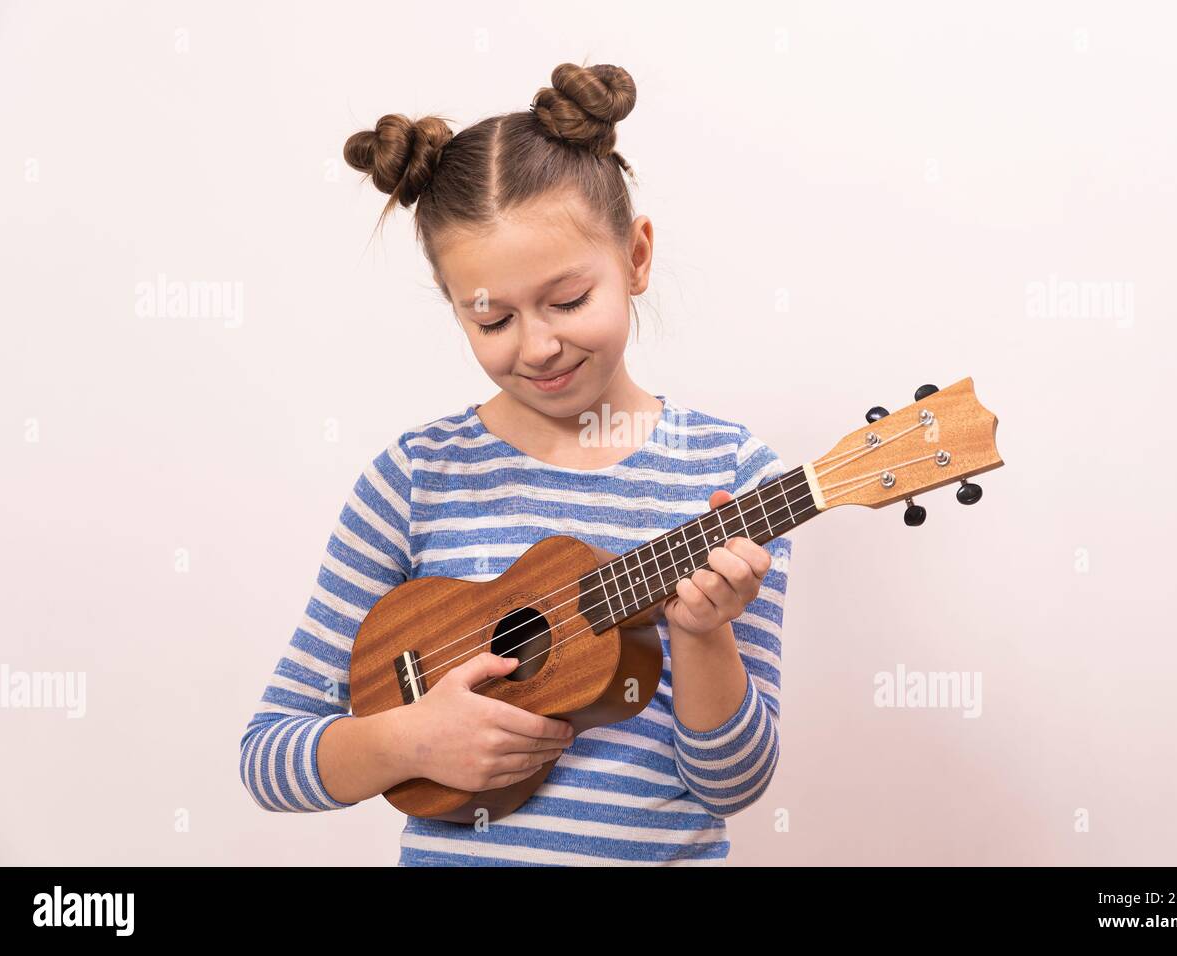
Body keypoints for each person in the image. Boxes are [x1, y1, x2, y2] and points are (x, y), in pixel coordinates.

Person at [239, 62, 794, 865]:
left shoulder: (731, 475)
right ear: (452, 304)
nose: (537, 345)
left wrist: (706, 637)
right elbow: (269, 756)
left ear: (636, 257)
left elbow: (732, 786)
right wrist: (409, 744)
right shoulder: (415, 479)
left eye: (568, 301)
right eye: (492, 318)